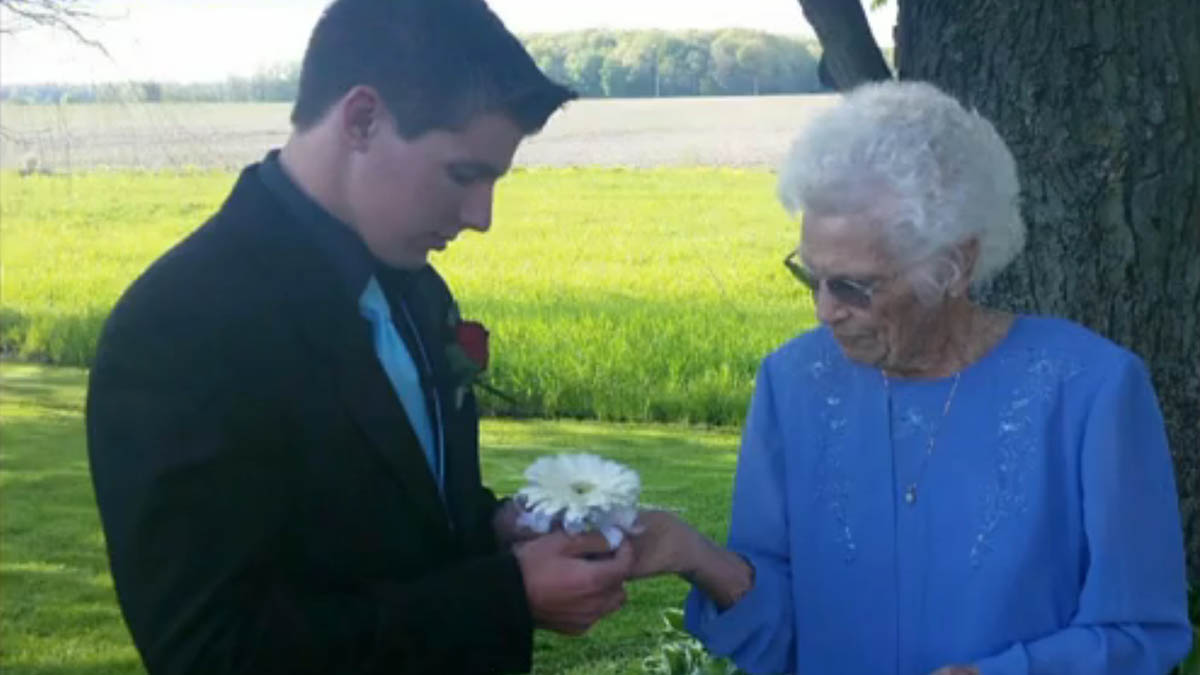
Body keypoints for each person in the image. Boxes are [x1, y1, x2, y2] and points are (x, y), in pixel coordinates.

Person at [85, 1, 634, 672]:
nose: (481, 215)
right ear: (362, 119)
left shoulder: (418, 288)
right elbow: (211, 649)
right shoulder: (181, 323)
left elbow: (400, 519)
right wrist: (505, 593)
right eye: (464, 174)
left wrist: (493, 532)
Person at [629, 81, 1193, 674]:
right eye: (812, 278)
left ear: (955, 265)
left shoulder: (1091, 389)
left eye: (854, 285)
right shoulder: (792, 383)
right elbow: (780, 641)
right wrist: (695, 556)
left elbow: (1142, 634)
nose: (825, 310)